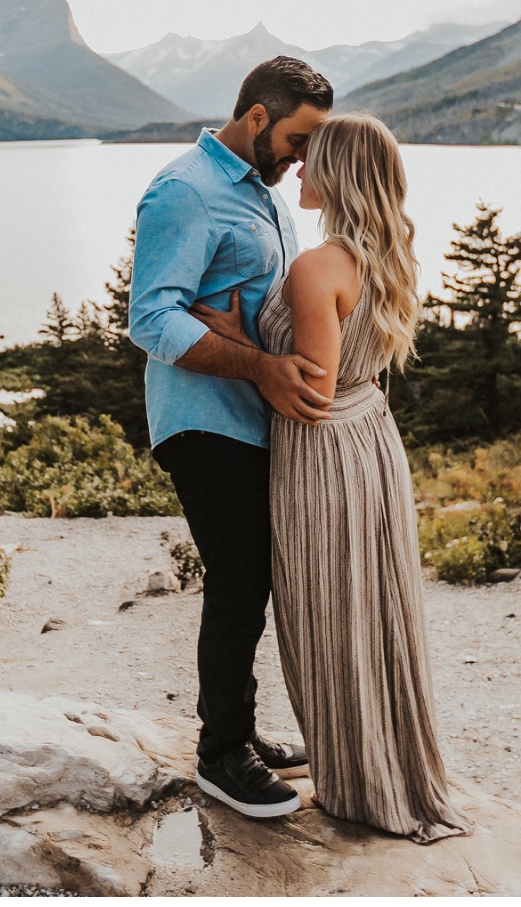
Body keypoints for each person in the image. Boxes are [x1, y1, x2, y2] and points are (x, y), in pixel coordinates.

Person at [196, 114, 466, 843]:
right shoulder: (387, 254)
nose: (298, 171)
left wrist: (232, 342)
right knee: (370, 608)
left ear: (341, 173)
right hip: (371, 439)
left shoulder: (318, 268)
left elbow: (310, 394)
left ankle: (360, 784)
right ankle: (381, 761)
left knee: (332, 613)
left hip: (324, 456)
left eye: (312, 161)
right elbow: (356, 374)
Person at [126, 55, 336, 819]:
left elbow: (268, 298)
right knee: (240, 578)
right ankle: (221, 757)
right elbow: (151, 318)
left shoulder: (264, 192)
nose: (305, 157)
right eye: (299, 139)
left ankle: (237, 728)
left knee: (256, 578)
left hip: (252, 413)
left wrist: (267, 350)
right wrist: (259, 365)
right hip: (201, 419)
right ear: (257, 119)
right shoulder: (185, 192)